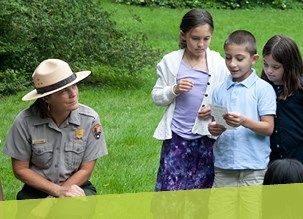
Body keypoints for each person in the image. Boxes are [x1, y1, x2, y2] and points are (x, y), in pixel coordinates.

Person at [3, 59, 108, 199]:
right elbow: (20, 169)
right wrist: (56, 192)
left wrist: (53, 200)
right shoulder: (24, 122)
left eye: (74, 86)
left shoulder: (89, 120)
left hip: (76, 185)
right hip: (36, 189)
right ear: (47, 98)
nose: (73, 94)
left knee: (76, 206)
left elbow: (86, 170)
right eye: (64, 91)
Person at [151, 8, 229, 192]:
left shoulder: (219, 65)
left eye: (206, 38)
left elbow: (230, 103)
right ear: (184, 35)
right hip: (176, 137)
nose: (201, 44)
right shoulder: (170, 62)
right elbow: (156, 97)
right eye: (195, 38)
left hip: (205, 139)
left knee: (201, 191)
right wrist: (174, 89)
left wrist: (214, 109)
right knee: (171, 190)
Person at [207, 30, 276, 219]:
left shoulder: (263, 89)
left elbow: (268, 128)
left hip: (253, 168)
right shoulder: (220, 90)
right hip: (224, 167)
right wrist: (214, 128)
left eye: (239, 58)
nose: (232, 64)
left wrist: (244, 121)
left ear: (253, 59)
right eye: (228, 58)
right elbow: (217, 124)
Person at [261, 34, 303, 163]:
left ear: (290, 65)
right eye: (265, 64)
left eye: (276, 67)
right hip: (271, 160)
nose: (269, 71)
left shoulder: (300, 90)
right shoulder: (261, 88)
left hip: (298, 159)